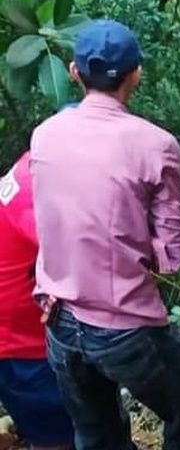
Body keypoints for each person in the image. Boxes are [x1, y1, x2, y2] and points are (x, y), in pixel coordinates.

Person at [32, 20, 180, 450]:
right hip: (124, 327)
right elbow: (171, 256)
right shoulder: (156, 145)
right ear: (136, 74)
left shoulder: (44, 136)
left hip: (59, 321)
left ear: (74, 73)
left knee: (97, 435)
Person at [0, 151, 75, 450]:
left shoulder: (34, 164)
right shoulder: (39, 189)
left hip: (22, 330)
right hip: (19, 343)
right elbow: (78, 251)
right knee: (58, 438)